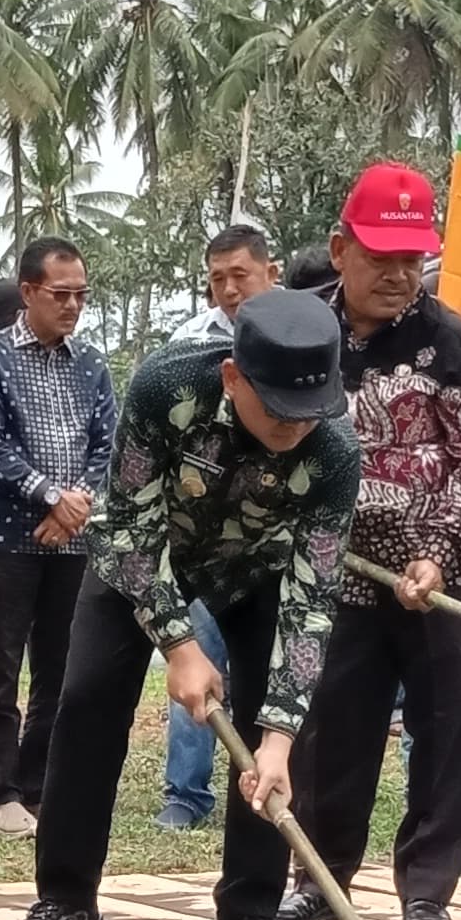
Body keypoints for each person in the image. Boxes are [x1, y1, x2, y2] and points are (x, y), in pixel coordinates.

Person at [3, 287, 360, 920]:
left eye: (310, 415)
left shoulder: (337, 455)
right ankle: (67, 900)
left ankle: (249, 917)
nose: (295, 429)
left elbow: (313, 599)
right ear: (234, 377)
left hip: (258, 569)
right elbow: (131, 526)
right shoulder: (168, 385)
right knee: (86, 702)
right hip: (143, 556)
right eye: (280, 412)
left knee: (266, 738)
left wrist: (279, 738)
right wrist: (182, 646)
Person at [280, 163, 461, 920]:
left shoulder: (454, 344)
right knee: (330, 733)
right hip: (343, 577)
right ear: (341, 249)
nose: (401, 275)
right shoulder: (301, 329)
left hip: (445, 574)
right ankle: (320, 879)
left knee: (446, 734)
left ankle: (428, 892)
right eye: (383, 258)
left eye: (414, 260)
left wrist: (438, 555)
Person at [0, 234, 119, 840]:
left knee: (61, 669)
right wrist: (52, 497)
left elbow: (106, 443)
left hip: (73, 541)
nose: (73, 305)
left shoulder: (92, 363)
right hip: (6, 537)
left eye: (81, 294)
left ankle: (35, 783)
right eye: (61, 294)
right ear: (28, 292)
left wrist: (75, 504)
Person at [161, 222, 286, 831]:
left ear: (273, 273)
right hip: (209, 542)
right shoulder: (188, 347)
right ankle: (185, 795)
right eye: (218, 280)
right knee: (196, 661)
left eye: (241, 276)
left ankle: (267, 794)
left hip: (279, 540)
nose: (230, 291)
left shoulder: (305, 340)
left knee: (270, 672)